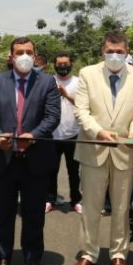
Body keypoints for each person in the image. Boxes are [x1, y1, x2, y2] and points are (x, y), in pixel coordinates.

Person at [71, 30, 133, 265]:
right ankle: (88, 253)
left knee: (121, 208)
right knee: (91, 206)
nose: (114, 55)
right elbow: (81, 111)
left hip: (125, 150)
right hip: (94, 148)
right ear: (102, 51)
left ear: (127, 53)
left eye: (119, 52)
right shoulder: (87, 74)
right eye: (110, 51)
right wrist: (98, 132)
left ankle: (119, 254)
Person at [0, 37, 61, 265]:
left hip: (35, 158)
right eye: (19, 52)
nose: (24, 56)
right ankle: (3, 257)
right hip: (4, 158)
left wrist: (34, 135)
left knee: (34, 213)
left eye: (29, 52)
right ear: (11, 56)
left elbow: (52, 116)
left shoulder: (47, 82)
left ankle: (32, 259)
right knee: (3, 212)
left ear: (35, 56)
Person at [47, 51, 83, 214]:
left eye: (65, 64)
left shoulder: (79, 82)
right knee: (50, 170)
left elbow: (83, 104)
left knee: (74, 171)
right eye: (59, 65)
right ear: (54, 65)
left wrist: (67, 95)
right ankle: (50, 199)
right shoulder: (48, 82)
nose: (62, 67)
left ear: (71, 63)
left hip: (73, 134)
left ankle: (76, 199)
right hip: (52, 135)